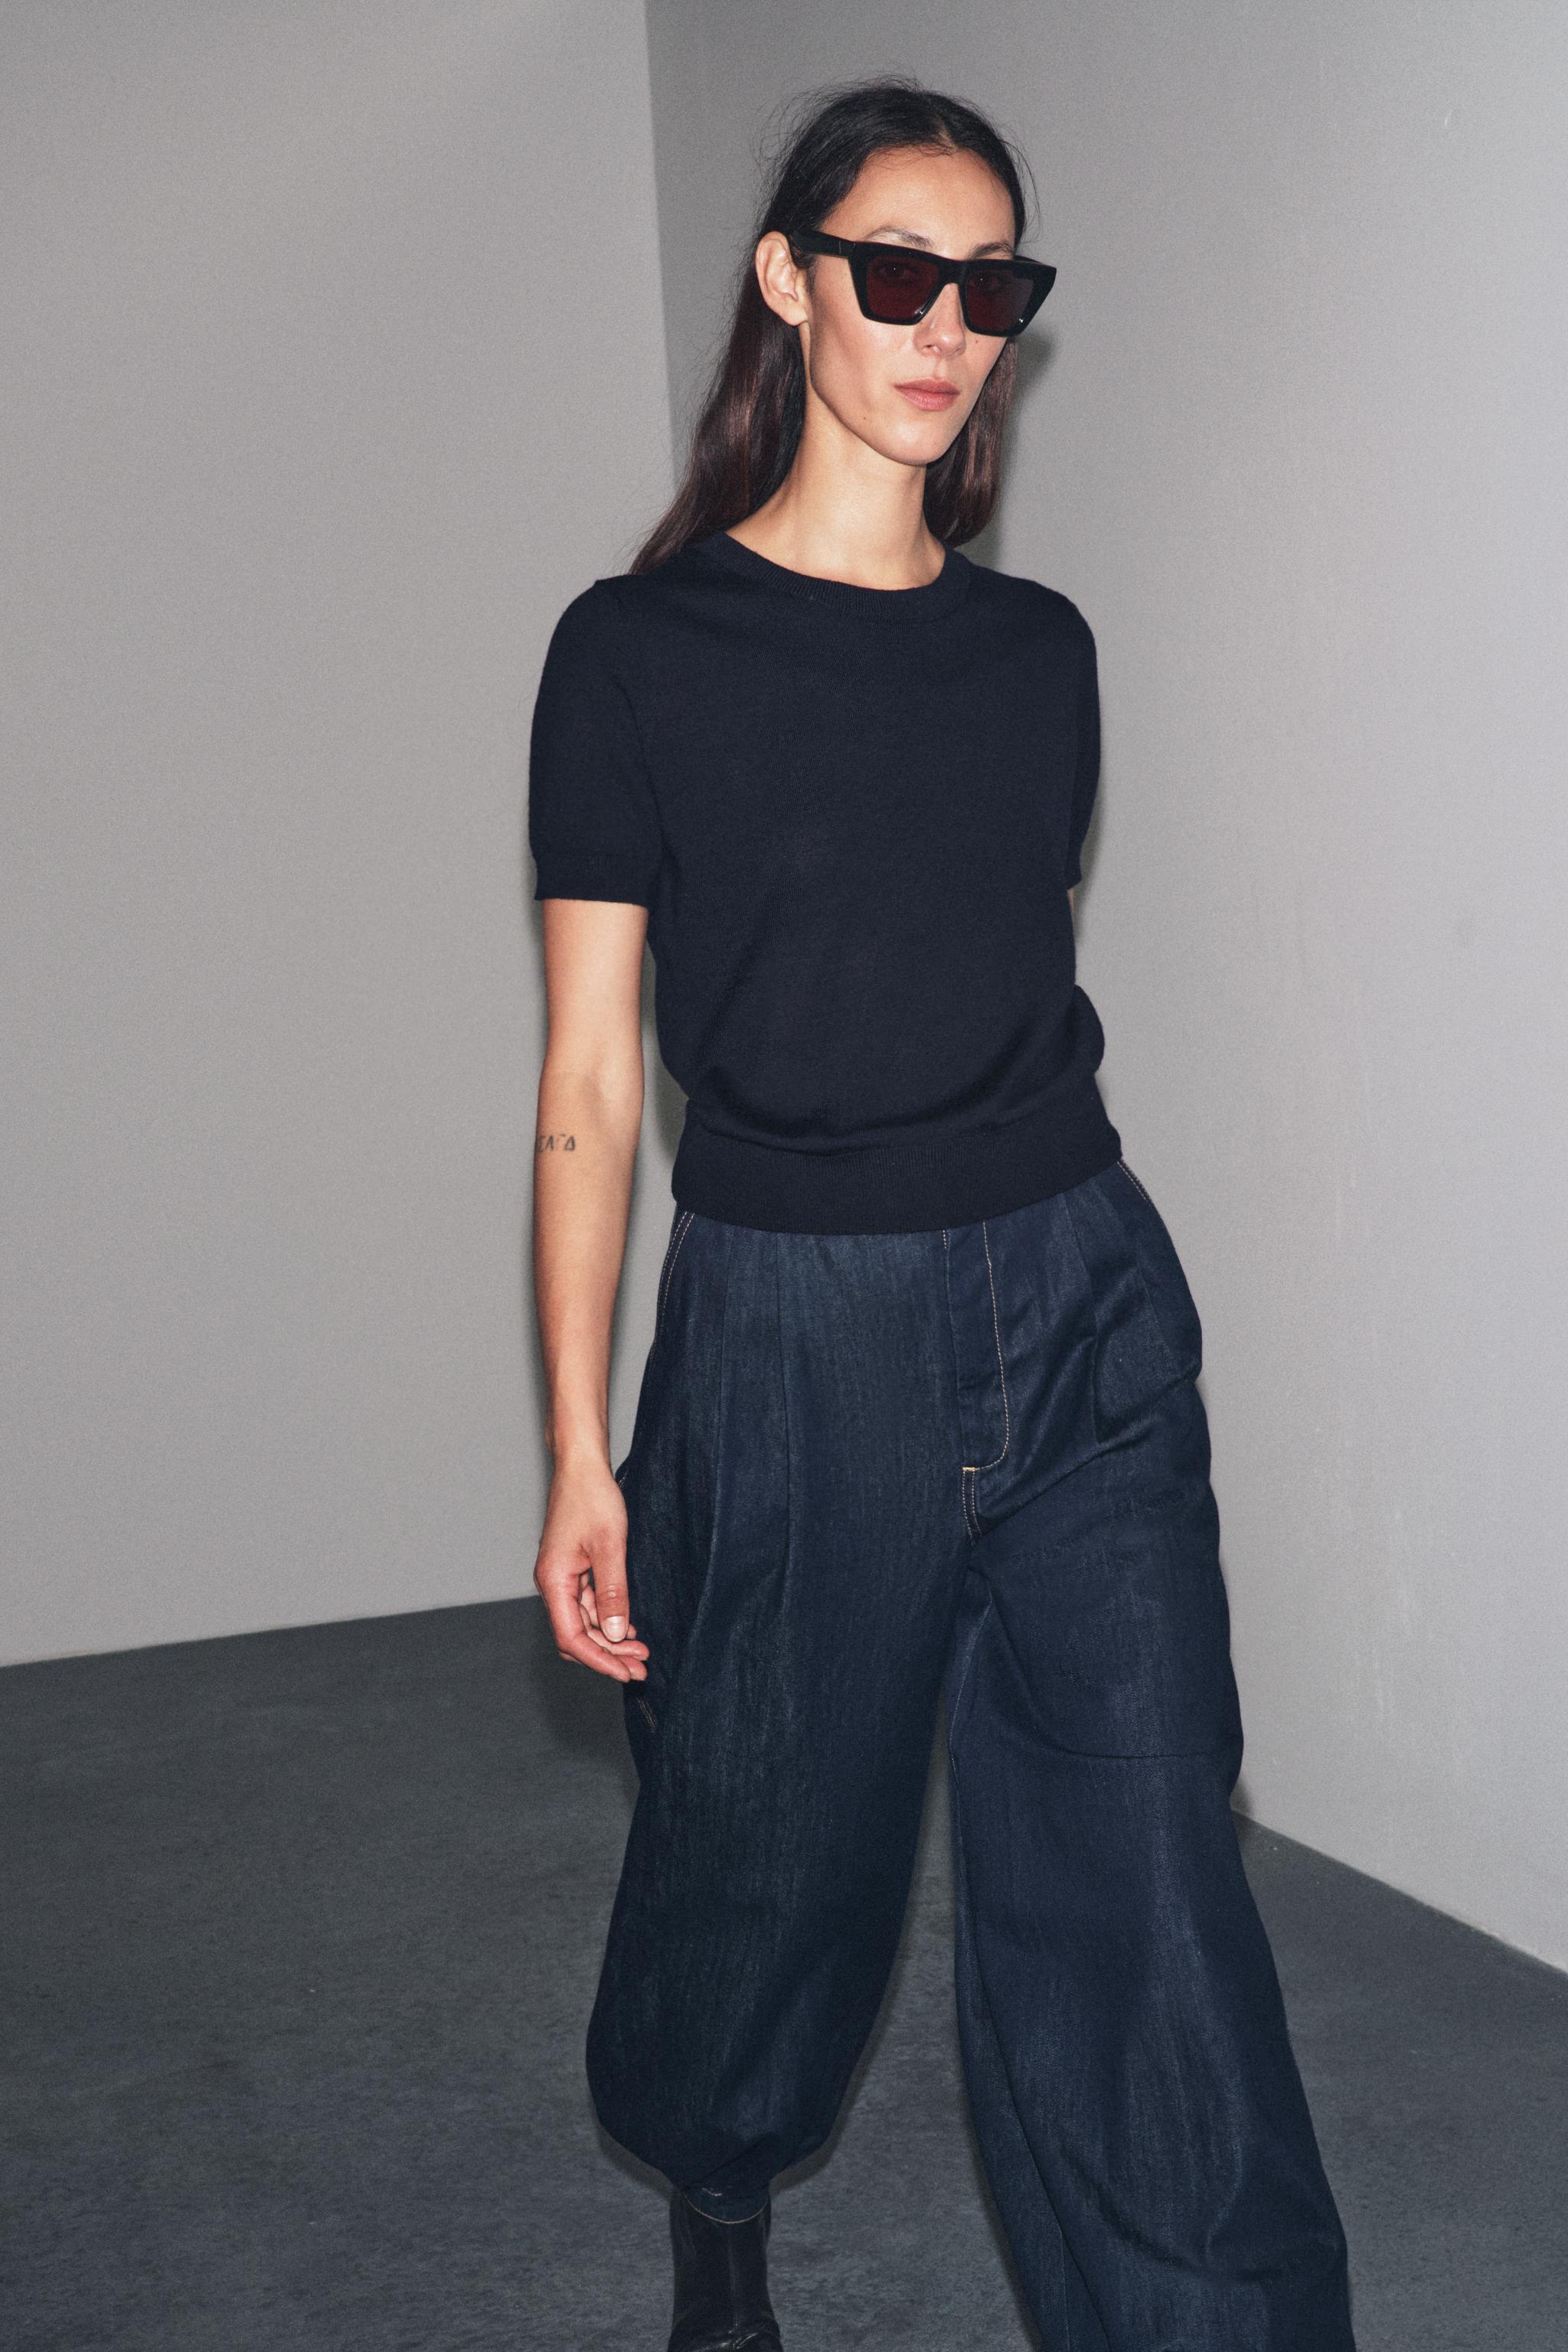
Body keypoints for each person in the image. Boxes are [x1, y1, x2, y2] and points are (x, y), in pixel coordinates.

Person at [527, 74, 1357, 2352]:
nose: (944, 326)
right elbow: (590, 1084)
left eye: (990, 287)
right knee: (763, 1867)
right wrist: (585, 1448)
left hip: (1083, 1302)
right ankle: (719, 2193)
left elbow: (992, 974)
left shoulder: (1039, 652)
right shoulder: (636, 655)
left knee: (1151, 1879)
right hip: (800, 1333)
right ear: (789, 283)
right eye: (896, 270)